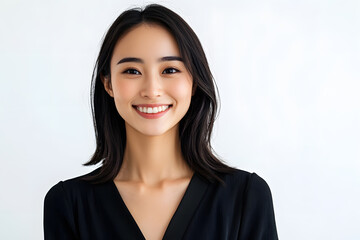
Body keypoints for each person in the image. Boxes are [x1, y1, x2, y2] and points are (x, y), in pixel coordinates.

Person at [43, 4, 278, 240]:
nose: (152, 90)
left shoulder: (246, 197)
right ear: (108, 84)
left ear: (194, 81)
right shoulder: (68, 204)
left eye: (170, 70)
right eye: (132, 71)